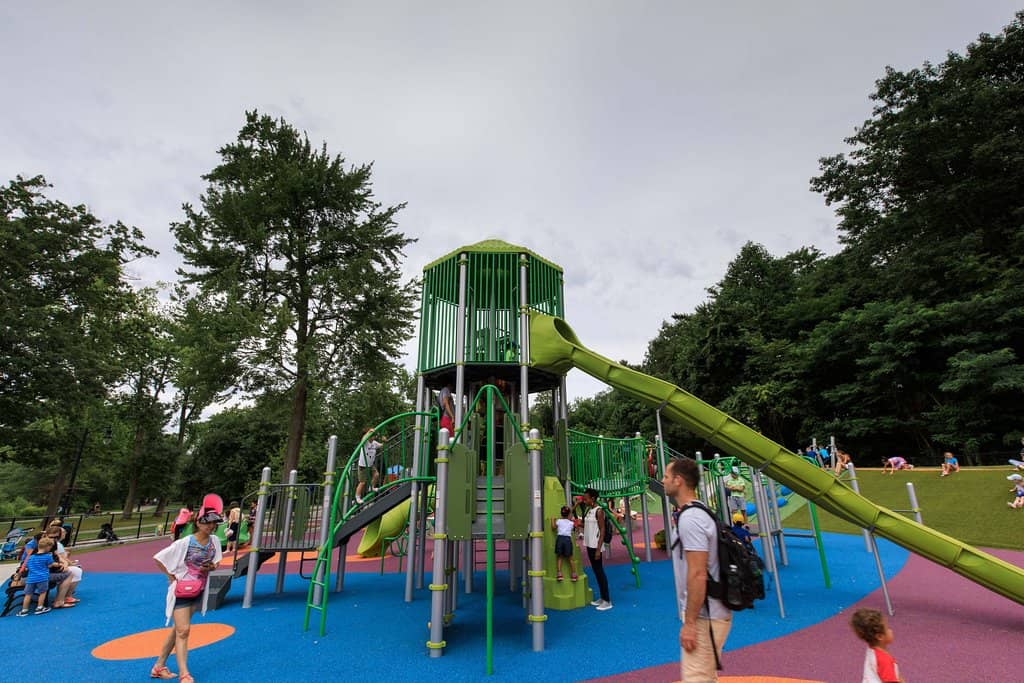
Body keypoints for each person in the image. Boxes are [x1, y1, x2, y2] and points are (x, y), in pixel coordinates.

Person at [663, 457, 732, 682]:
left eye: (666, 476)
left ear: (678, 480)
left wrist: (690, 623)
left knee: (696, 678)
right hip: (711, 611)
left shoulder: (690, 519)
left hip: (705, 615)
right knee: (705, 677)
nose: (662, 481)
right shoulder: (700, 510)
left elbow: (698, 573)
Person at [151, 507, 224, 682]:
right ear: (198, 523)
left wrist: (211, 567)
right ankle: (184, 674)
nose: (211, 526)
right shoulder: (184, 542)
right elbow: (158, 558)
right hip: (182, 589)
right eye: (207, 522)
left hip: (199, 588)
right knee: (184, 631)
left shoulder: (214, 541)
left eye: (214, 522)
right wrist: (171, 577)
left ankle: (158, 666)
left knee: (178, 629)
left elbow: (216, 562)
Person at [850, 607, 906, 683]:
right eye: (887, 628)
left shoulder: (872, 650)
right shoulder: (884, 660)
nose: (891, 630)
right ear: (880, 636)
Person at [580, 488, 612, 611]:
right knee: (596, 571)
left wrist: (599, 549)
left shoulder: (599, 511)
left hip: (595, 545)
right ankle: (602, 597)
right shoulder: (589, 510)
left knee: (599, 571)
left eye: (586, 498)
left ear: (592, 498)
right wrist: (579, 524)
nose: (584, 500)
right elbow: (589, 525)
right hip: (589, 544)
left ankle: (607, 600)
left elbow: (602, 529)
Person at [17, 536, 58, 616]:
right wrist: (56, 564)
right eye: (50, 547)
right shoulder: (47, 556)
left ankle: (24, 610)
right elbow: (50, 565)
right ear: (47, 547)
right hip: (42, 578)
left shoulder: (31, 557)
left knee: (28, 594)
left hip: (31, 579)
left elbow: (27, 566)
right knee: (42, 592)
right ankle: (39, 607)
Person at [45, 522, 83, 607]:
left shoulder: (53, 545)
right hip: (45, 572)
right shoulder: (48, 545)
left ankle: (64, 597)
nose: (55, 539)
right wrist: (62, 564)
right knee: (70, 573)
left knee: (73, 571)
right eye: (52, 537)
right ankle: (61, 599)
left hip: (48, 569)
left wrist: (65, 563)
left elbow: (58, 557)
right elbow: (50, 562)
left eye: (56, 537)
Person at [550, 505, 578, 582]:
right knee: (570, 558)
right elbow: (576, 526)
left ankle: (559, 574)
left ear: (561, 514)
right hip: (567, 540)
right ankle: (574, 574)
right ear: (569, 515)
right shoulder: (571, 523)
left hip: (559, 539)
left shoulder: (558, 521)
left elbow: (553, 527)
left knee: (560, 557)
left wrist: (552, 519)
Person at [355, 427, 383, 504]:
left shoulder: (374, 443)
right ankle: (357, 497)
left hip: (370, 465)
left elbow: (381, 445)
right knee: (362, 482)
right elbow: (363, 439)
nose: (373, 437)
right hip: (363, 466)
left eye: (374, 436)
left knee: (376, 474)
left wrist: (385, 441)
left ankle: (371, 487)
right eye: (372, 436)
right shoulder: (365, 442)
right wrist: (368, 432)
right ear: (368, 436)